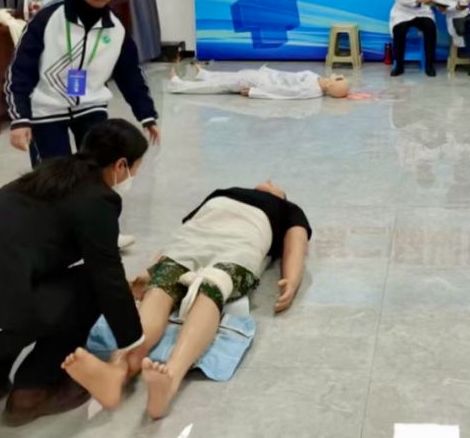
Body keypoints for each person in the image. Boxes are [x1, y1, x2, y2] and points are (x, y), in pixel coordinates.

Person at [0, 120, 148, 426]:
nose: (134, 174)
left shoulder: (43, 179)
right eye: (136, 167)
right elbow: (107, 277)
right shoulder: (97, 200)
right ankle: (35, 390)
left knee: (15, 283)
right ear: (121, 164)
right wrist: (133, 341)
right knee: (88, 285)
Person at [60, 180, 311, 419]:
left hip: (239, 245)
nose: (268, 180)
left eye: (275, 184)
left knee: (212, 287)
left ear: (282, 195)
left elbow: (296, 245)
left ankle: (170, 378)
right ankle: (118, 369)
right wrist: (150, 271)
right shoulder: (222, 192)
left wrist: (291, 280)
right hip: (192, 239)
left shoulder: (288, 209)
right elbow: (181, 232)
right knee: (159, 288)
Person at [6, 0, 161, 166]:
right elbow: (20, 70)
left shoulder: (115, 26)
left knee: (96, 171)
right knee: (54, 177)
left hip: (91, 106)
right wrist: (20, 118)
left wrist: (146, 115)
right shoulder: (49, 18)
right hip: (46, 110)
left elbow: (130, 73)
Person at [167, 64, 350, 98]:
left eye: (339, 79)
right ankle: (205, 74)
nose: (338, 75)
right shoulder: (317, 80)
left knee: (221, 86)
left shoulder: (310, 89)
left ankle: (179, 85)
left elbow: (283, 93)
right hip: (264, 76)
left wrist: (255, 92)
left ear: (332, 85)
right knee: (233, 76)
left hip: (260, 83)